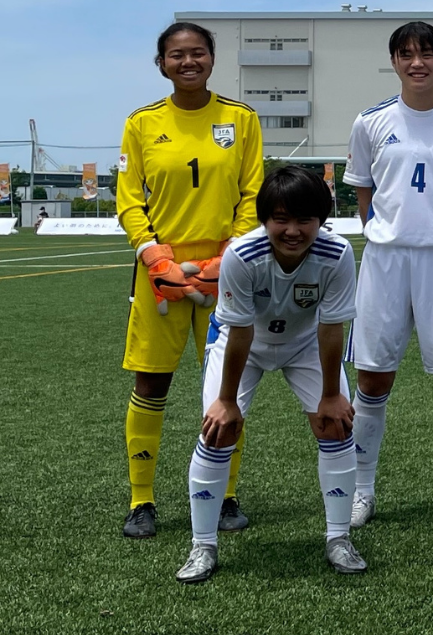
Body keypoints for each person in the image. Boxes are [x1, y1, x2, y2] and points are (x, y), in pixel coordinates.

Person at [175, 166, 364, 582]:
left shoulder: (337, 254)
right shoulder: (242, 255)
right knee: (218, 431)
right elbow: (241, 331)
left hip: (305, 343)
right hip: (242, 344)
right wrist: (226, 401)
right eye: (281, 219)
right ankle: (203, 545)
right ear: (264, 219)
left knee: (335, 425)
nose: (293, 231)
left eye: (305, 220)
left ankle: (338, 538)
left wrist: (331, 395)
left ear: (321, 220)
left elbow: (331, 327)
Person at [117, 22, 264, 538]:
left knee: (227, 385)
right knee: (151, 382)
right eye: (176, 55)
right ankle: (141, 500)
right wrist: (153, 256)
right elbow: (129, 199)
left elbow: (253, 193)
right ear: (161, 63)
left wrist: (231, 255)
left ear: (212, 59)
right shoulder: (141, 123)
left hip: (225, 275)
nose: (188, 62)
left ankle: (225, 495)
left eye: (197, 53)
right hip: (160, 277)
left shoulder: (241, 119)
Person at [343, 21, 433, 527]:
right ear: (394, 62)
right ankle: (362, 491)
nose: (417, 63)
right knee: (372, 377)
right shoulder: (370, 121)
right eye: (406, 54)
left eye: (426, 53)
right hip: (385, 260)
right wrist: (387, 231)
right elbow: (364, 191)